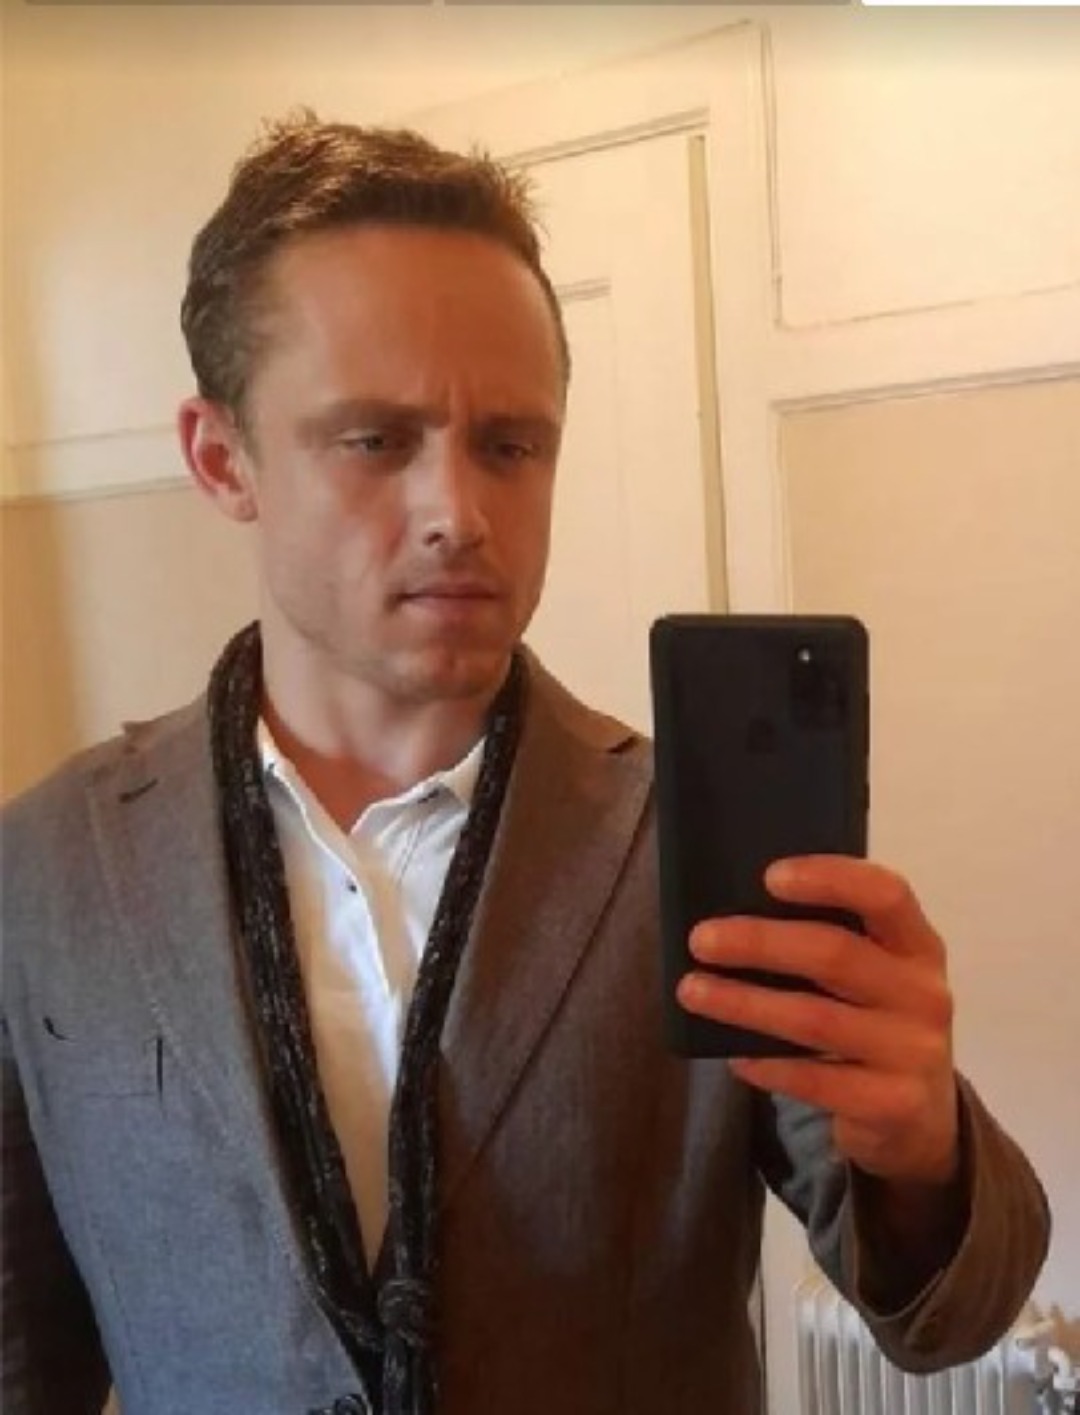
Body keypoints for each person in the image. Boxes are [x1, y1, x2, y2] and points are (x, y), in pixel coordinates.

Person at [1, 112, 1049, 1415]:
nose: (459, 512)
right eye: (375, 439)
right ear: (223, 460)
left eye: (510, 444)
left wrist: (924, 1149)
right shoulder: (50, 866)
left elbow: (954, 1313)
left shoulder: (689, 840)